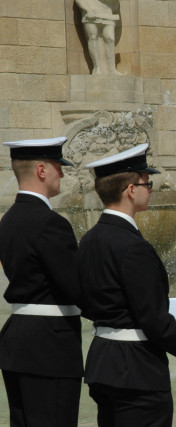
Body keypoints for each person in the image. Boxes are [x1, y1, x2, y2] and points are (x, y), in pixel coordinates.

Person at [77, 144, 176, 426]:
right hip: (136, 370)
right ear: (129, 190)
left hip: (103, 362)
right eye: (146, 183)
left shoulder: (90, 239)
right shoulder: (133, 246)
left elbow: (86, 302)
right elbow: (155, 322)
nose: (150, 189)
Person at [0, 137, 83, 426]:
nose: (62, 172)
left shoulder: (8, 220)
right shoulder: (51, 223)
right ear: (41, 170)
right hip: (50, 347)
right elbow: (77, 288)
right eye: (58, 166)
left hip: (17, 341)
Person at [75, 0, 123, 75]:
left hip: (108, 10)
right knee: (93, 37)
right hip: (90, 10)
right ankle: (97, 68)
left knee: (110, 38)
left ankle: (112, 69)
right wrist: (87, 9)